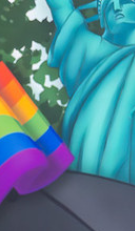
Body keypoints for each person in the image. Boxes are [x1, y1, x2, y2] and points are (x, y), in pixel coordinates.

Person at [47, 0, 135, 184]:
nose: (117, 8)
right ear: (102, 17)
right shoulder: (90, 51)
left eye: (126, 2)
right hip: (90, 183)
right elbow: (60, 6)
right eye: (110, 5)